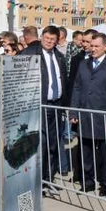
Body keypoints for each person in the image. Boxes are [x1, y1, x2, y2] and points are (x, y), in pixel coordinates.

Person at [69, 32, 106, 196]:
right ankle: (88, 182)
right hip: (85, 116)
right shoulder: (83, 65)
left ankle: (105, 184)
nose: (92, 49)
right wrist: (74, 111)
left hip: (105, 118)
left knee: (105, 154)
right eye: (91, 46)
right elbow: (77, 89)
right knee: (86, 151)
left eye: (96, 46)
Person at [22, 25, 69, 193]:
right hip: (39, 105)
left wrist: (65, 104)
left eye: (52, 40)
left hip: (56, 105)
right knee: (40, 144)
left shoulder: (59, 56)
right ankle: (37, 180)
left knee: (53, 143)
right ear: (41, 37)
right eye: (47, 38)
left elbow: (63, 79)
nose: (49, 42)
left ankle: (49, 178)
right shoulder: (30, 54)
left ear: (57, 41)